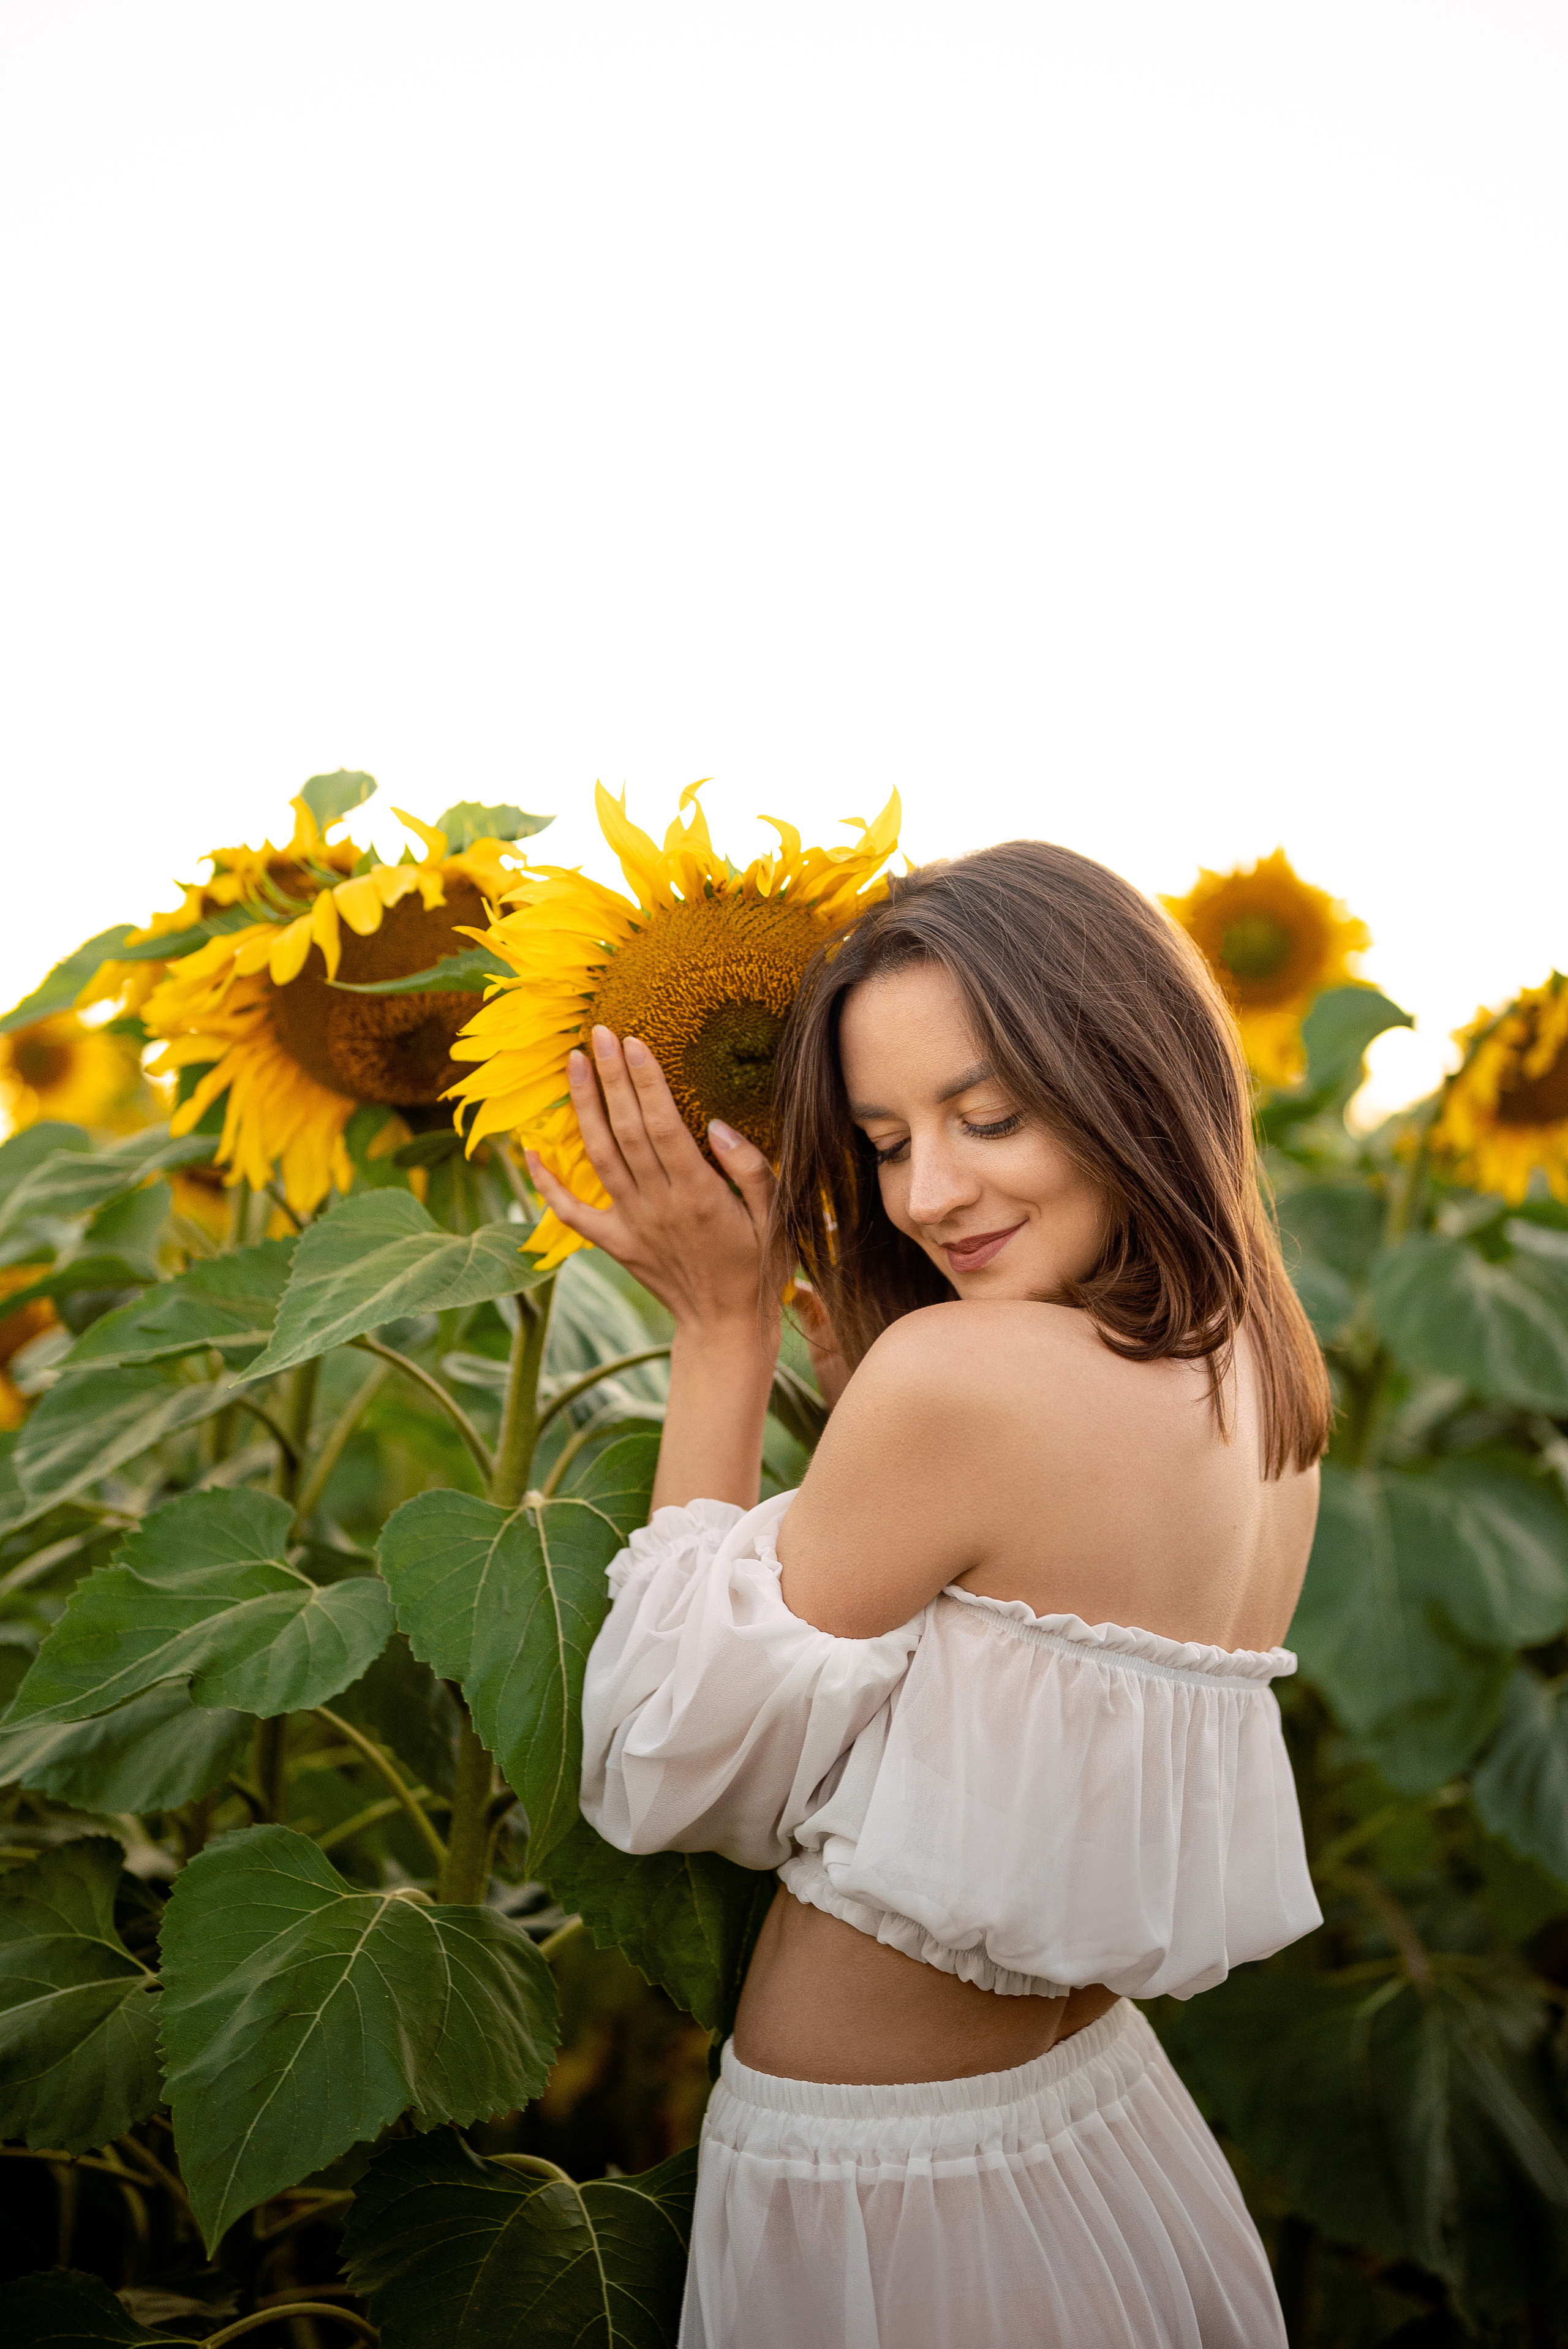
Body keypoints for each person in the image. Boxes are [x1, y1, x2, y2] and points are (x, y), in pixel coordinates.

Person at [524, 839, 1327, 2349]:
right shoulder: (1264, 1378)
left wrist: (719, 1328)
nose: (927, 1194)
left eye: (989, 1117)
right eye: (887, 1142)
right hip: (1105, 2146)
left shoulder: (963, 1380)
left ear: (1129, 1077)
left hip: (892, 2202)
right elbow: (997, 1714)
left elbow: (658, 1766)